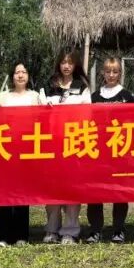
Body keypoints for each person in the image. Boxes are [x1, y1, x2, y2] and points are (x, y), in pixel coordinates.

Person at [42, 52, 91, 244]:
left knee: (72, 188)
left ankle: (70, 230)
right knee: (52, 188)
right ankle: (52, 229)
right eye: (63, 62)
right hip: (51, 144)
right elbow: (39, 114)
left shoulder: (82, 88)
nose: (66, 66)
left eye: (70, 63)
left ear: (75, 65)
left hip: (74, 143)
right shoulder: (49, 86)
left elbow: (87, 115)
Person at [86, 56, 134, 244]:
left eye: (115, 71)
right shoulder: (94, 97)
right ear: (102, 73)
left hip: (120, 151)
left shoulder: (127, 96)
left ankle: (118, 229)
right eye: (108, 71)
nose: (111, 75)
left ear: (120, 73)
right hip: (98, 151)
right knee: (94, 191)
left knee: (119, 191)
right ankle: (95, 230)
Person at [0, 62, 43, 246]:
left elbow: (42, 120)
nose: (20, 75)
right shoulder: (2, 97)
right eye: (17, 72)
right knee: (4, 192)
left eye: (24, 72)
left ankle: (21, 235)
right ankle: (2, 236)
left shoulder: (35, 96)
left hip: (27, 150)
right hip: (5, 149)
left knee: (23, 193)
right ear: (12, 76)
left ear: (28, 76)